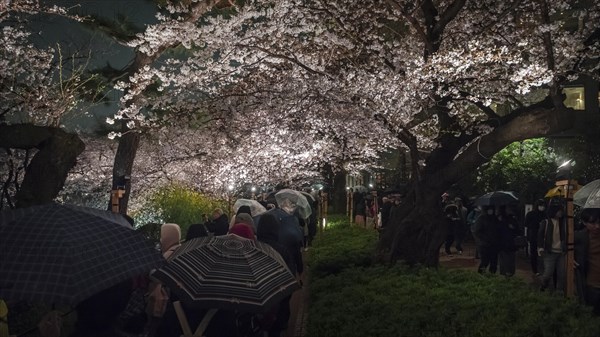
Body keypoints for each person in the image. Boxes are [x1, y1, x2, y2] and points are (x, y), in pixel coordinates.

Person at [257, 213, 298, 337]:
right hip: (278, 303)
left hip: (257, 303)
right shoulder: (282, 250)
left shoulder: (254, 248)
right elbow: (290, 277)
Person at [574, 208, 600, 313]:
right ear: (584, 222)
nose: (597, 227)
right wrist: (570, 258)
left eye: (599, 222)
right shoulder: (580, 236)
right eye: (592, 223)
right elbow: (564, 246)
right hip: (592, 285)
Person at [537, 203, 566, 293]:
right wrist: (540, 248)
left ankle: (559, 291)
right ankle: (543, 286)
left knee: (561, 273)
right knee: (548, 272)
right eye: (559, 211)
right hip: (549, 251)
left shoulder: (563, 223)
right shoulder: (546, 222)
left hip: (561, 252)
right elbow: (540, 236)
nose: (561, 212)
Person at [474, 205, 500, 274]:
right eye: (489, 209)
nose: (491, 211)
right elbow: (477, 231)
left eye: (492, 209)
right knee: (485, 262)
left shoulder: (495, 219)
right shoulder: (481, 218)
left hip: (494, 244)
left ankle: (492, 276)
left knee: (494, 262)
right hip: (484, 244)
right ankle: (481, 275)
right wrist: (485, 238)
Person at [525, 199, 546, 276]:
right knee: (534, 254)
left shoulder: (544, 214)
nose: (542, 207)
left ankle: (543, 268)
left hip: (543, 236)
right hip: (533, 236)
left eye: (543, 205)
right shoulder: (530, 214)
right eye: (541, 205)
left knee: (543, 253)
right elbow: (526, 224)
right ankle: (535, 269)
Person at [497, 205, 520, 277]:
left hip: (509, 241)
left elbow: (518, 229)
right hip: (504, 241)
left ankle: (508, 272)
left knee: (509, 258)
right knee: (505, 258)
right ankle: (506, 272)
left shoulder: (511, 218)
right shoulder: (499, 218)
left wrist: (513, 227)